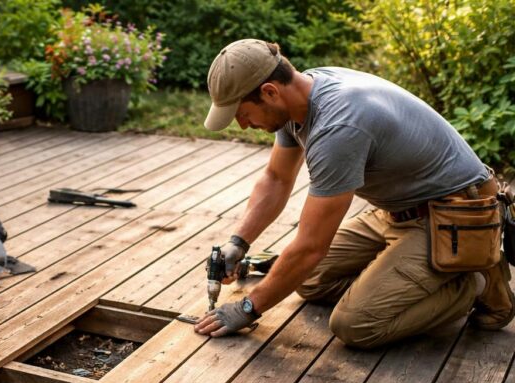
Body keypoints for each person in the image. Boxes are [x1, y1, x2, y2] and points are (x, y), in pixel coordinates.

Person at [193, 39, 515, 348]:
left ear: (270, 91)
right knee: (307, 280)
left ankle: (472, 280)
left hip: (454, 214)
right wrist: (239, 241)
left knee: (355, 323)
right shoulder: (300, 97)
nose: (244, 125)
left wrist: (249, 308)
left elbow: (309, 248)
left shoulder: (338, 126)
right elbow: (276, 179)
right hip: (398, 209)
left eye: (243, 114)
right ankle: (408, 279)